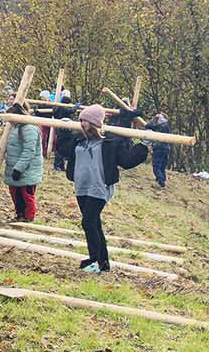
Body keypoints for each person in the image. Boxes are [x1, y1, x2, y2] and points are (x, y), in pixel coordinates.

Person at [66, 104, 149, 273]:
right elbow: (63, 151)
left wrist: (144, 145)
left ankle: (95, 261)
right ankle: (103, 264)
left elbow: (127, 160)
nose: (82, 124)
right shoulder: (79, 140)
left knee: (87, 222)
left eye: (86, 121)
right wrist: (61, 128)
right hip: (82, 187)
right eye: (81, 120)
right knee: (94, 224)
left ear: (95, 123)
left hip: (99, 188)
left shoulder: (110, 143)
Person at [1, 102, 43, 221]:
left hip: (27, 170)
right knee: (15, 194)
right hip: (14, 166)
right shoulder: (15, 128)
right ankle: (19, 215)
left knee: (26, 195)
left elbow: (29, 151)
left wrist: (19, 168)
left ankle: (28, 217)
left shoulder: (29, 128)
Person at [151, 112, 172, 188]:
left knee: (156, 166)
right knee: (162, 166)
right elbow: (152, 126)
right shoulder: (165, 126)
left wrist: (155, 119)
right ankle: (162, 181)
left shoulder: (163, 126)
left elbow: (152, 126)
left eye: (160, 118)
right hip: (165, 148)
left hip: (160, 148)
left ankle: (161, 182)